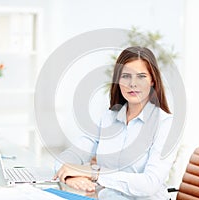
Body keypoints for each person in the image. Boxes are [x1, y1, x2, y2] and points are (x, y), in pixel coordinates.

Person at [53, 46, 177, 199]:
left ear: (152, 80)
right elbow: (69, 156)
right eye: (126, 76)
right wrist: (71, 175)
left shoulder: (166, 124)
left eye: (141, 76)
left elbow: (149, 184)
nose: (132, 84)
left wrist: (95, 174)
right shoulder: (108, 118)